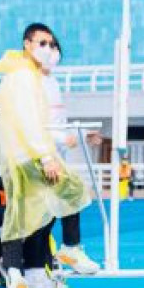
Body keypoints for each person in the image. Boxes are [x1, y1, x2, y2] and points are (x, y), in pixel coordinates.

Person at [0, 23, 93, 288]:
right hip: (30, 155)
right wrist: (47, 156)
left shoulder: (24, 75)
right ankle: (69, 249)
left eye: (52, 44)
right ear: (27, 44)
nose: (49, 49)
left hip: (21, 155)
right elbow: (29, 122)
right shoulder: (24, 77)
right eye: (43, 43)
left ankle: (23, 274)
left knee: (27, 215)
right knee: (72, 191)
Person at [39, 38, 101, 275]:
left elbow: (58, 123)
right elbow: (34, 126)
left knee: (59, 205)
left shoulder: (52, 82)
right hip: (41, 156)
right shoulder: (32, 84)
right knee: (68, 197)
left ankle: (56, 257)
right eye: (46, 47)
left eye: (55, 49)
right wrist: (60, 141)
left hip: (56, 155)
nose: (53, 53)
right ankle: (66, 250)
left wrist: (83, 134)